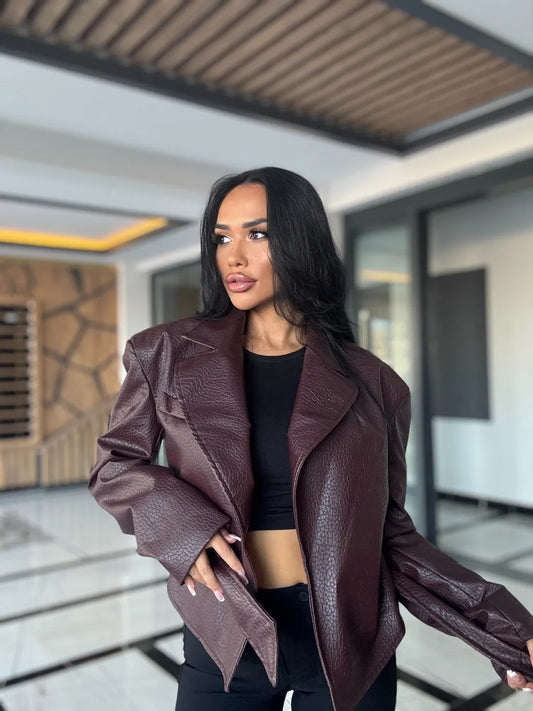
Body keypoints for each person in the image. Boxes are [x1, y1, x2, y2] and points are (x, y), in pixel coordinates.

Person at [88, 167, 533, 711]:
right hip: (227, 629)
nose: (233, 256)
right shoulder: (165, 354)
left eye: (258, 234)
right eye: (222, 238)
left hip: (349, 641)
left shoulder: (375, 384)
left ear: (301, 241)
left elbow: (391, 536)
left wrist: (510, 630)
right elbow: (115, 465)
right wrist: (186, 528)